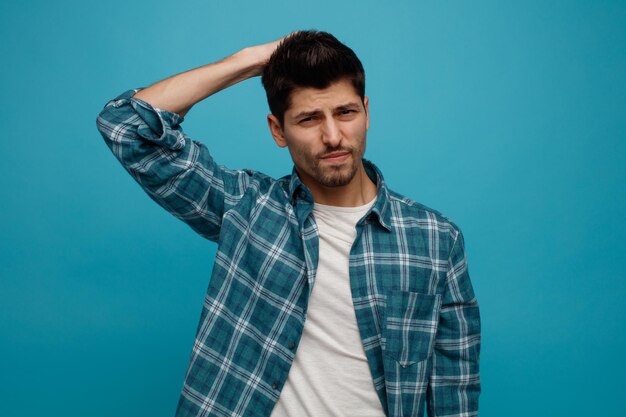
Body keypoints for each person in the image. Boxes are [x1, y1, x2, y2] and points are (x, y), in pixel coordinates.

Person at [96, 30, 480, 417]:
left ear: (366, 112)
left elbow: (454, 392)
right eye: (309, 119)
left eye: (345, 113)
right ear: (278, 130)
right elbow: (126, 125)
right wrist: (249, 60)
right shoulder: (246, 208)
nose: (333, 137)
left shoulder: (435, 240)